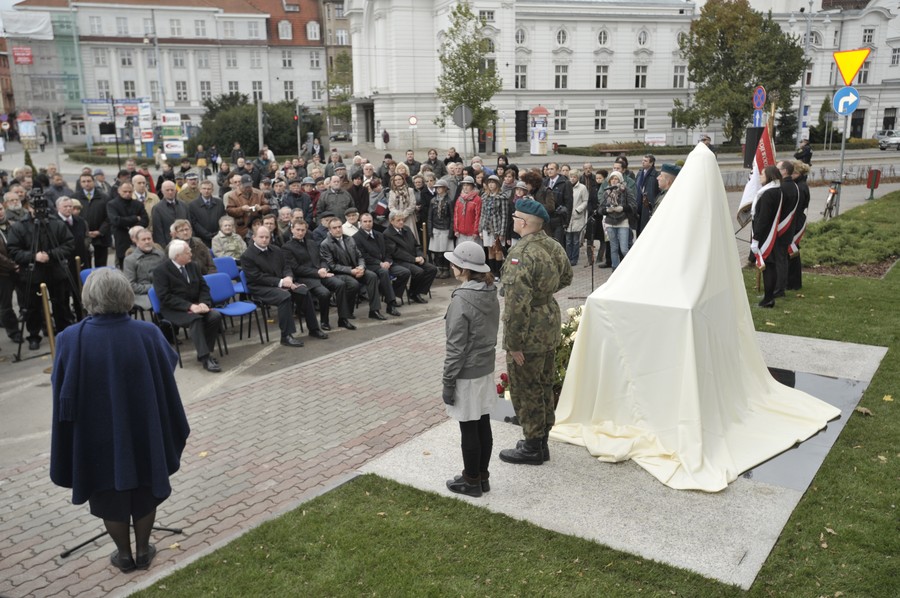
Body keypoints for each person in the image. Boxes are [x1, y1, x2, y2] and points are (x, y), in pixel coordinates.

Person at [50, 268, 190, 573]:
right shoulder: (148, 332)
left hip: (95, 432)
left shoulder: (69, 338)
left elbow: (60, 386)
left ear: (89, 297)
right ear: (125, 295)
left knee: (107, 490)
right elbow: (167, 368)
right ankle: (143, 551)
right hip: (143, 426)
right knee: (145, 483)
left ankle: (123, 555)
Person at [498, 198, 572, 465]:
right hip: (548, 321)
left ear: (526, 223)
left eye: (516, 217)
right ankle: (540, 442)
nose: (513, 221)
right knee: (542, 384)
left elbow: (517, 304)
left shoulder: (522, 252)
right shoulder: (552, 245)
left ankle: (532, 447)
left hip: (529, 331)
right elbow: (567, 276)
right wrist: (544, 292)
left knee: (526, 387)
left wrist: (513, 344)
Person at [441, 241, 500, 497]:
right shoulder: (489, 290)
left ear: (463, 268)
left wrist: (447, 382)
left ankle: (471, 480)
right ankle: (482, 476)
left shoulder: (462, 301)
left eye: (454, 263)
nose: (451, 266)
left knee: (469, 427)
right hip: (485, 368)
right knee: (483, 422)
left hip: (467, 371)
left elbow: (455, 348)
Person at [7, 195, 76, 348]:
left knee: (61, 303)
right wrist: (33, 256)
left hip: (56, 271)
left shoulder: (56, 224)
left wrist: (51, 254)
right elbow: (13, 250)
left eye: (41, 207)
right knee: (32, 307)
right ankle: (33, 335)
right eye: (35, 207)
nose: (39, 211)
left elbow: (69, 244)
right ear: (29, 208)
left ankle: (64, 331)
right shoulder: (20, 226)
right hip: (32, 273)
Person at [241, 225, 327, 346]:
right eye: (261, 237)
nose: (265, 239)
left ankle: (314, 329)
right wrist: (281, 283)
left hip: (281, 282)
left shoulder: (276, 250)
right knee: (284, 296)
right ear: (254, 237)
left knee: (303, 291)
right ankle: (286, 336)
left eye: (267, 237)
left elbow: (286, 266)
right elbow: (257, 277)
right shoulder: (247, 256)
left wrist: (289, 278)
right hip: (260, 287)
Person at [153, 239, 224, 372]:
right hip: (175, 309)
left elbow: (204, 287)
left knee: (215, 316)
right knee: (195, 319)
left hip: (196, 305)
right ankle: (205, 358)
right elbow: (165, 297)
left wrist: (204, 303)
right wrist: (189, 306)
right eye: (187, 252)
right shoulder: (161, 271)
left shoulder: (193, 266)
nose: (191, 254)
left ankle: (205, 351)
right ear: (177, 256)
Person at [283, 218, 356, 330]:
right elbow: (296, 269)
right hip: (305, 278)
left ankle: (343, 319)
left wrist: (324, 269)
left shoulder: (311, 243)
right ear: (292, 230)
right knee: (324, 293)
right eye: (298, 230)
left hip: (321, 274)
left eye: (303, 230)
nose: (300, 232)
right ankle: (324, 321)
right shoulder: (287, 247)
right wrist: (317, 272)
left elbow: (321, 259)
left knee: (340, 284)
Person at [319, 217, 384, 320]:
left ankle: (374, 310)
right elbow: (332, 265)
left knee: (372, 276)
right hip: (339, 273)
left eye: (339, 227)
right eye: (334, 228)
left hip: (355, 269)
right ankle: (348, 311)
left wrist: (361, 267)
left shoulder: (349, 239)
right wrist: (351, 271)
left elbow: (360, 256)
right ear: (329, 230)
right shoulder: (325, 244)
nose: (338, 229)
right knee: (353, 284)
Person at [384, 213, 437, 304]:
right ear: (391, 221)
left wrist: (420, 256)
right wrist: (413, 259)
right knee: (418, 271)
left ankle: (417, 291)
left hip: (413, 258)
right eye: (398, 220)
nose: (401, 222)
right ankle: (412, 294)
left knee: (432, 269)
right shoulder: (387, 234)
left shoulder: (407, 229)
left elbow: (416, 246)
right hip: (400, 261)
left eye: (402, 220)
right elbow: (396, 252)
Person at [751, 165, 784, 308]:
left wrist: (756, 238)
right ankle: (769, 296)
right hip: (770, 232)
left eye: (763, 174)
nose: (760, 176)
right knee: (770, 266)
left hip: (765, 235)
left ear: (770, 176)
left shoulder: (767, 193)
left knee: (767, 267)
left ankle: (768, 299)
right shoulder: (776, 189)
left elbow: (763, 218)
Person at [598, 171, 635, 271]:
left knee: (623, 248)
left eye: (616, 179)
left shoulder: (626, 190)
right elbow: (600, 209)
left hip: (623, 221)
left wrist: (622, 208)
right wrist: (606, 210)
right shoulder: (607, 192)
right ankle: (615, 269)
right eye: (612, 179)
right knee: (613, 248)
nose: (614, 181)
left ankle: (629, 268)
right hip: (610, 222)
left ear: (620, 180)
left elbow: (633, 206)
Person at [107, 183, 149, 269]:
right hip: (122, 239)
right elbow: (116, 220)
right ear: (119, 191)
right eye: (125, 191)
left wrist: (133, 228)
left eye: (130, 191)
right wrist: (135, 218)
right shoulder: (112, 204)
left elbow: (145, 220)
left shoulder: (138, 204)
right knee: (124, 266)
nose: (127, 193)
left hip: (138, 239)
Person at [123, 228, 165, 310]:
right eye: (143, 239)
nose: (147, 242)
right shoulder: (130, 260)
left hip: (163, 290)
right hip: (143, 294)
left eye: (149, 239)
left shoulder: (161, 255)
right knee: (159, 303)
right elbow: (131, 285)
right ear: (137, 242)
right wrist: (153, 288)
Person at [787, 161, 811, 291]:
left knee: (792, 252)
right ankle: (792, 282)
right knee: (792, 252)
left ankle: (793, 282)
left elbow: (797, 207)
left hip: (796, 222)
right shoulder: (800, 184)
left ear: (796, 173)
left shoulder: (800, 187)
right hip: (797, 220)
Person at [479, 175, 508, 278]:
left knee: (498, 250)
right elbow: (482, 214)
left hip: (497, 227)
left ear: (497, 184)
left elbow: (504, 215)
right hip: (486, 227)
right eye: (489, 183)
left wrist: (502, 232)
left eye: (493, 183)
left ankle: (498, 273)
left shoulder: (502, 197)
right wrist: (480, 229)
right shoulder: (484, 196)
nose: (491, 185)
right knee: (490, 250)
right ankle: (491, 272)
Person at [565, 170, 589, 266]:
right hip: (567, 217)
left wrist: (578, 210)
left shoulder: (582, 188)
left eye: (574, 177)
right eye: (570, 177)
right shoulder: (566, 186)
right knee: (568, 240)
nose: (572, 179)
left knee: (575, 240)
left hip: (577, 216)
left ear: (577, 178)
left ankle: (574, 258)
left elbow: (585, 201)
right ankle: (568, 257)